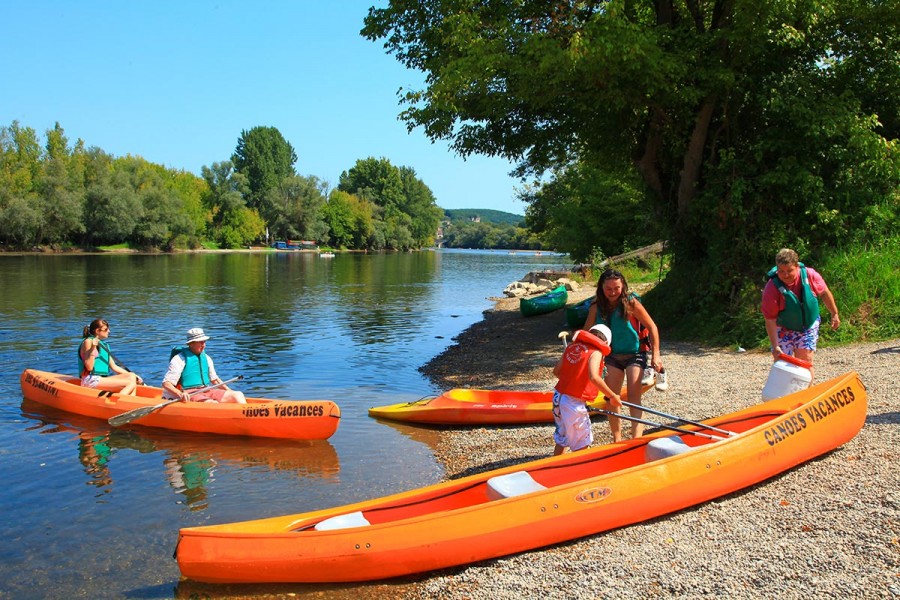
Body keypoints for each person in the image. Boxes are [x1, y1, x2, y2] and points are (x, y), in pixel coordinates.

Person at [583, 269, 664, 442]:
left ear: (623, 286)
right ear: (601, 288)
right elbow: (586, 333)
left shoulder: (631, 302)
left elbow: (652, 327)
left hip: (635, 353)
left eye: (616, 288)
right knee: (612, 397)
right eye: (608, 289)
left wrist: (656, 355)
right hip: (611, 356)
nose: (612, 292)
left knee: (634, 395)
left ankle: (636, 438)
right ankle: (617, 439)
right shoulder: (596, 307)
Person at [761, 248, 840, 382]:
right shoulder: (772, 287)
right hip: (783, 327)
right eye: (781, 271)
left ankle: (806, 397)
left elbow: (825, 293)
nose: (785, 275)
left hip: (808, 324)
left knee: (804, 361)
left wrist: (834, 313)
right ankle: (785, 397)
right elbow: (770, 320)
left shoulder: (810, 275)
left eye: (789, 271)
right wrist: (775, 347)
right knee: (782, 363)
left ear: (797, 267)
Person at [551, 324, 622, 455]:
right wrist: (612, 396)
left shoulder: (572, 347)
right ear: (605, 342)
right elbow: (594, 377)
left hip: (557, 397)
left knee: (562, 439)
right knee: (581, 444)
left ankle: (554, 469)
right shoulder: (596, 352)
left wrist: (574, 378)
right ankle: (583, 471)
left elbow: (557, 371)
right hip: (573, 403)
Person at [161, 328, 246, 404]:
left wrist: (229, 391)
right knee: (212, 404)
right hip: (190, 393)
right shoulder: (179, 359)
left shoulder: (207, 358)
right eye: (200, 342)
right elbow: (166, 384)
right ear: (191, 344)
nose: (203, 345)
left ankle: (246, 417)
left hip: (206, 390)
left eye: (204, 342)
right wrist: (180, 394)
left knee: (238, 395)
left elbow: (215, 380)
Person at [78, 319, 142, 395]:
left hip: (101, 379)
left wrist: (136, 376)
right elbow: (89, 367)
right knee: (130, 384)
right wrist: (93, 348)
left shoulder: (104, 345)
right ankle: (120, 402)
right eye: (106, 329)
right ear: (97, 331)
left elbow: (114, 367)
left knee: (131, 377)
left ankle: (131, 402)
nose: (109, 331)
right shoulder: (88, 342)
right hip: (90, 380)